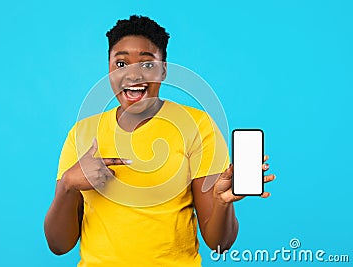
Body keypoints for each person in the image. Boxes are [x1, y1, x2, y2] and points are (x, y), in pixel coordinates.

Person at [44, 15, 275, 267]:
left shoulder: (198, 126)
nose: (132, 76)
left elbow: (220, 243)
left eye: (146, 64)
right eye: (121, 64)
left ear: (163, 70)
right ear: (108, 70)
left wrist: (221, 203)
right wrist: (68, 184)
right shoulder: (82, 133)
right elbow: (58, 245)